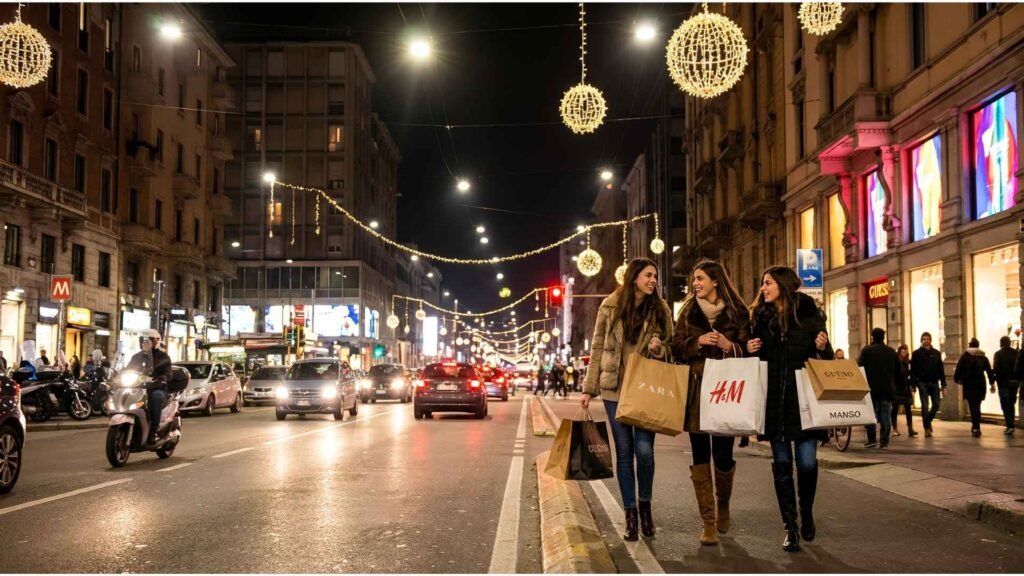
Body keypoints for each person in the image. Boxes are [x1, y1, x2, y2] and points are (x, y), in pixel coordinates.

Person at [581, 257, 672, 541]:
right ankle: (630, 514)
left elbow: (672, 343)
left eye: (655, 276)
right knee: (624, 453)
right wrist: (588, 388)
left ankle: (645, 507)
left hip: (645, 388)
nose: (653, 280)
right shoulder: (609, 307)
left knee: (644, 451)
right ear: (634, 277)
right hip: (614, 391)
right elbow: (597, 347)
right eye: (648, 275)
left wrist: (659, 347)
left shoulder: (659, 308)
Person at [747, 266, 832, 552]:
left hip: (805, 403)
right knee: (781, 466)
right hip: (775, 404)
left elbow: (826, 360)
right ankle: (790, 526)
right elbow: (755, 360)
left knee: (807, 463)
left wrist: (822, 347)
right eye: (762, 283)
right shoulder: (760, 318)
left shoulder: (809, 315)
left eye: (767, 283)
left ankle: (806, 512)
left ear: (782, 285)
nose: (763, 288)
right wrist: (750, 347)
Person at [669, 258, 750, 545]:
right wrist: (698, 343)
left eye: (700, 279)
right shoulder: (688, 311)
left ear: (716, 280)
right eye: (694, 279)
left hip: (727, 391)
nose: (696, 284)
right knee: (700, 455)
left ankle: (723, 503)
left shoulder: (738, 312)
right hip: (697, 393)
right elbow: (676, 346)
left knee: (724, 456)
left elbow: (750, 349)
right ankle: (708, 521)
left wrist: (731, 347)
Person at [127, 329, 173, 442]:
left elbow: (168, 372)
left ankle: (154, 430)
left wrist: (163, 377)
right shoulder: (136, 357)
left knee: (156, 398)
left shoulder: (163, 357)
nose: (145, 343)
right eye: (143, 340)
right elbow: (128, 369)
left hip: (156, 388)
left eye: (148, 341)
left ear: (156, 342)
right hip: (138, 388)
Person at [858, 328, 898, 449]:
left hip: (871, 388)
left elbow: (860, 367)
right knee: (886, 414)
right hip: (886, 388)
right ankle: (884, 441)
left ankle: (872, 439)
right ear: (883, 338)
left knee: (871, 414)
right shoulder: (891, 351)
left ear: (872, 337)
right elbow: (898, 370)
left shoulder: (867, 351)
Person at [954, 338, 993, 437]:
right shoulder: (983, 357)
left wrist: (956, 379)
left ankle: (975, 427)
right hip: (980, 384)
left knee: (972, 407)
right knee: (977, 406)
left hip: (969, 384)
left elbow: (959, 368)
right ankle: (976, 427)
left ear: (970, 345)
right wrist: (992, 383)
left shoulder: (965, 356)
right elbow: (989, 371)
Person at [911, 332, 947, 437]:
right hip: (922, 382)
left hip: (934, 382)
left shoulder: (936, 353)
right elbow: (913, 370)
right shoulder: (916, 353)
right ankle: (926, 428)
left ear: (930, 340)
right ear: (921, 341)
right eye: (923, 339)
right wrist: (913, 384)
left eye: (927, 339)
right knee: (925, 405)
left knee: (936, 404)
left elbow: (941, 369)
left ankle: (928, 421)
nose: (925, 341)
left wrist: (943, 384)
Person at [992, 336, 1019, 435]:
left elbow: (996, 368)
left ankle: (1009, 425)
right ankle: (1011, 424)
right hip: (1014, 382)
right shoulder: (1016, 353)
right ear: (1009, 343)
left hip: (1003, 382)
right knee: (1011, 403)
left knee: (1005, 404)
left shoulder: (998, 354)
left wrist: (993, 379)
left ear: (1001, 343)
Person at [892, 344, 918, 438]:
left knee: (908, 409)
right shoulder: (896, 361)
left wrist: (913, 385)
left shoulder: (909, 362)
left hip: (906, 388)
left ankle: (910, 428)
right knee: (894, 408)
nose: (904, 352)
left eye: (905, 350)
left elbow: (912, 375)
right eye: (902, 350)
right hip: (897, 388)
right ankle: (894, 428)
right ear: (899, 352)